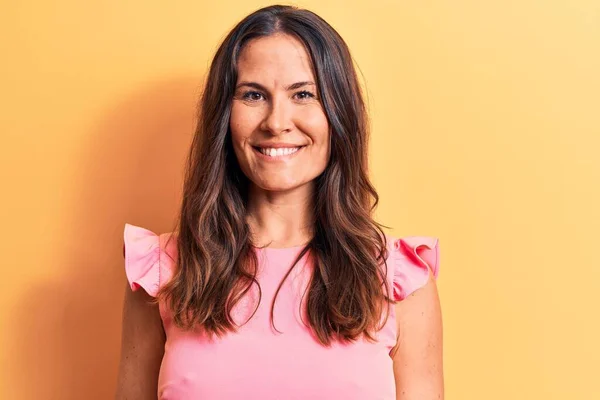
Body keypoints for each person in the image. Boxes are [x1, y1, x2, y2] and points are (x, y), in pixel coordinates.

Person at [115, 4, 443, 399]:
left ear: (339, 114)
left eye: (303, 94)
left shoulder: (400, 282)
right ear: (225, 115)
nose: (276, 122)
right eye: (253, 94)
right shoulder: (162, 274)